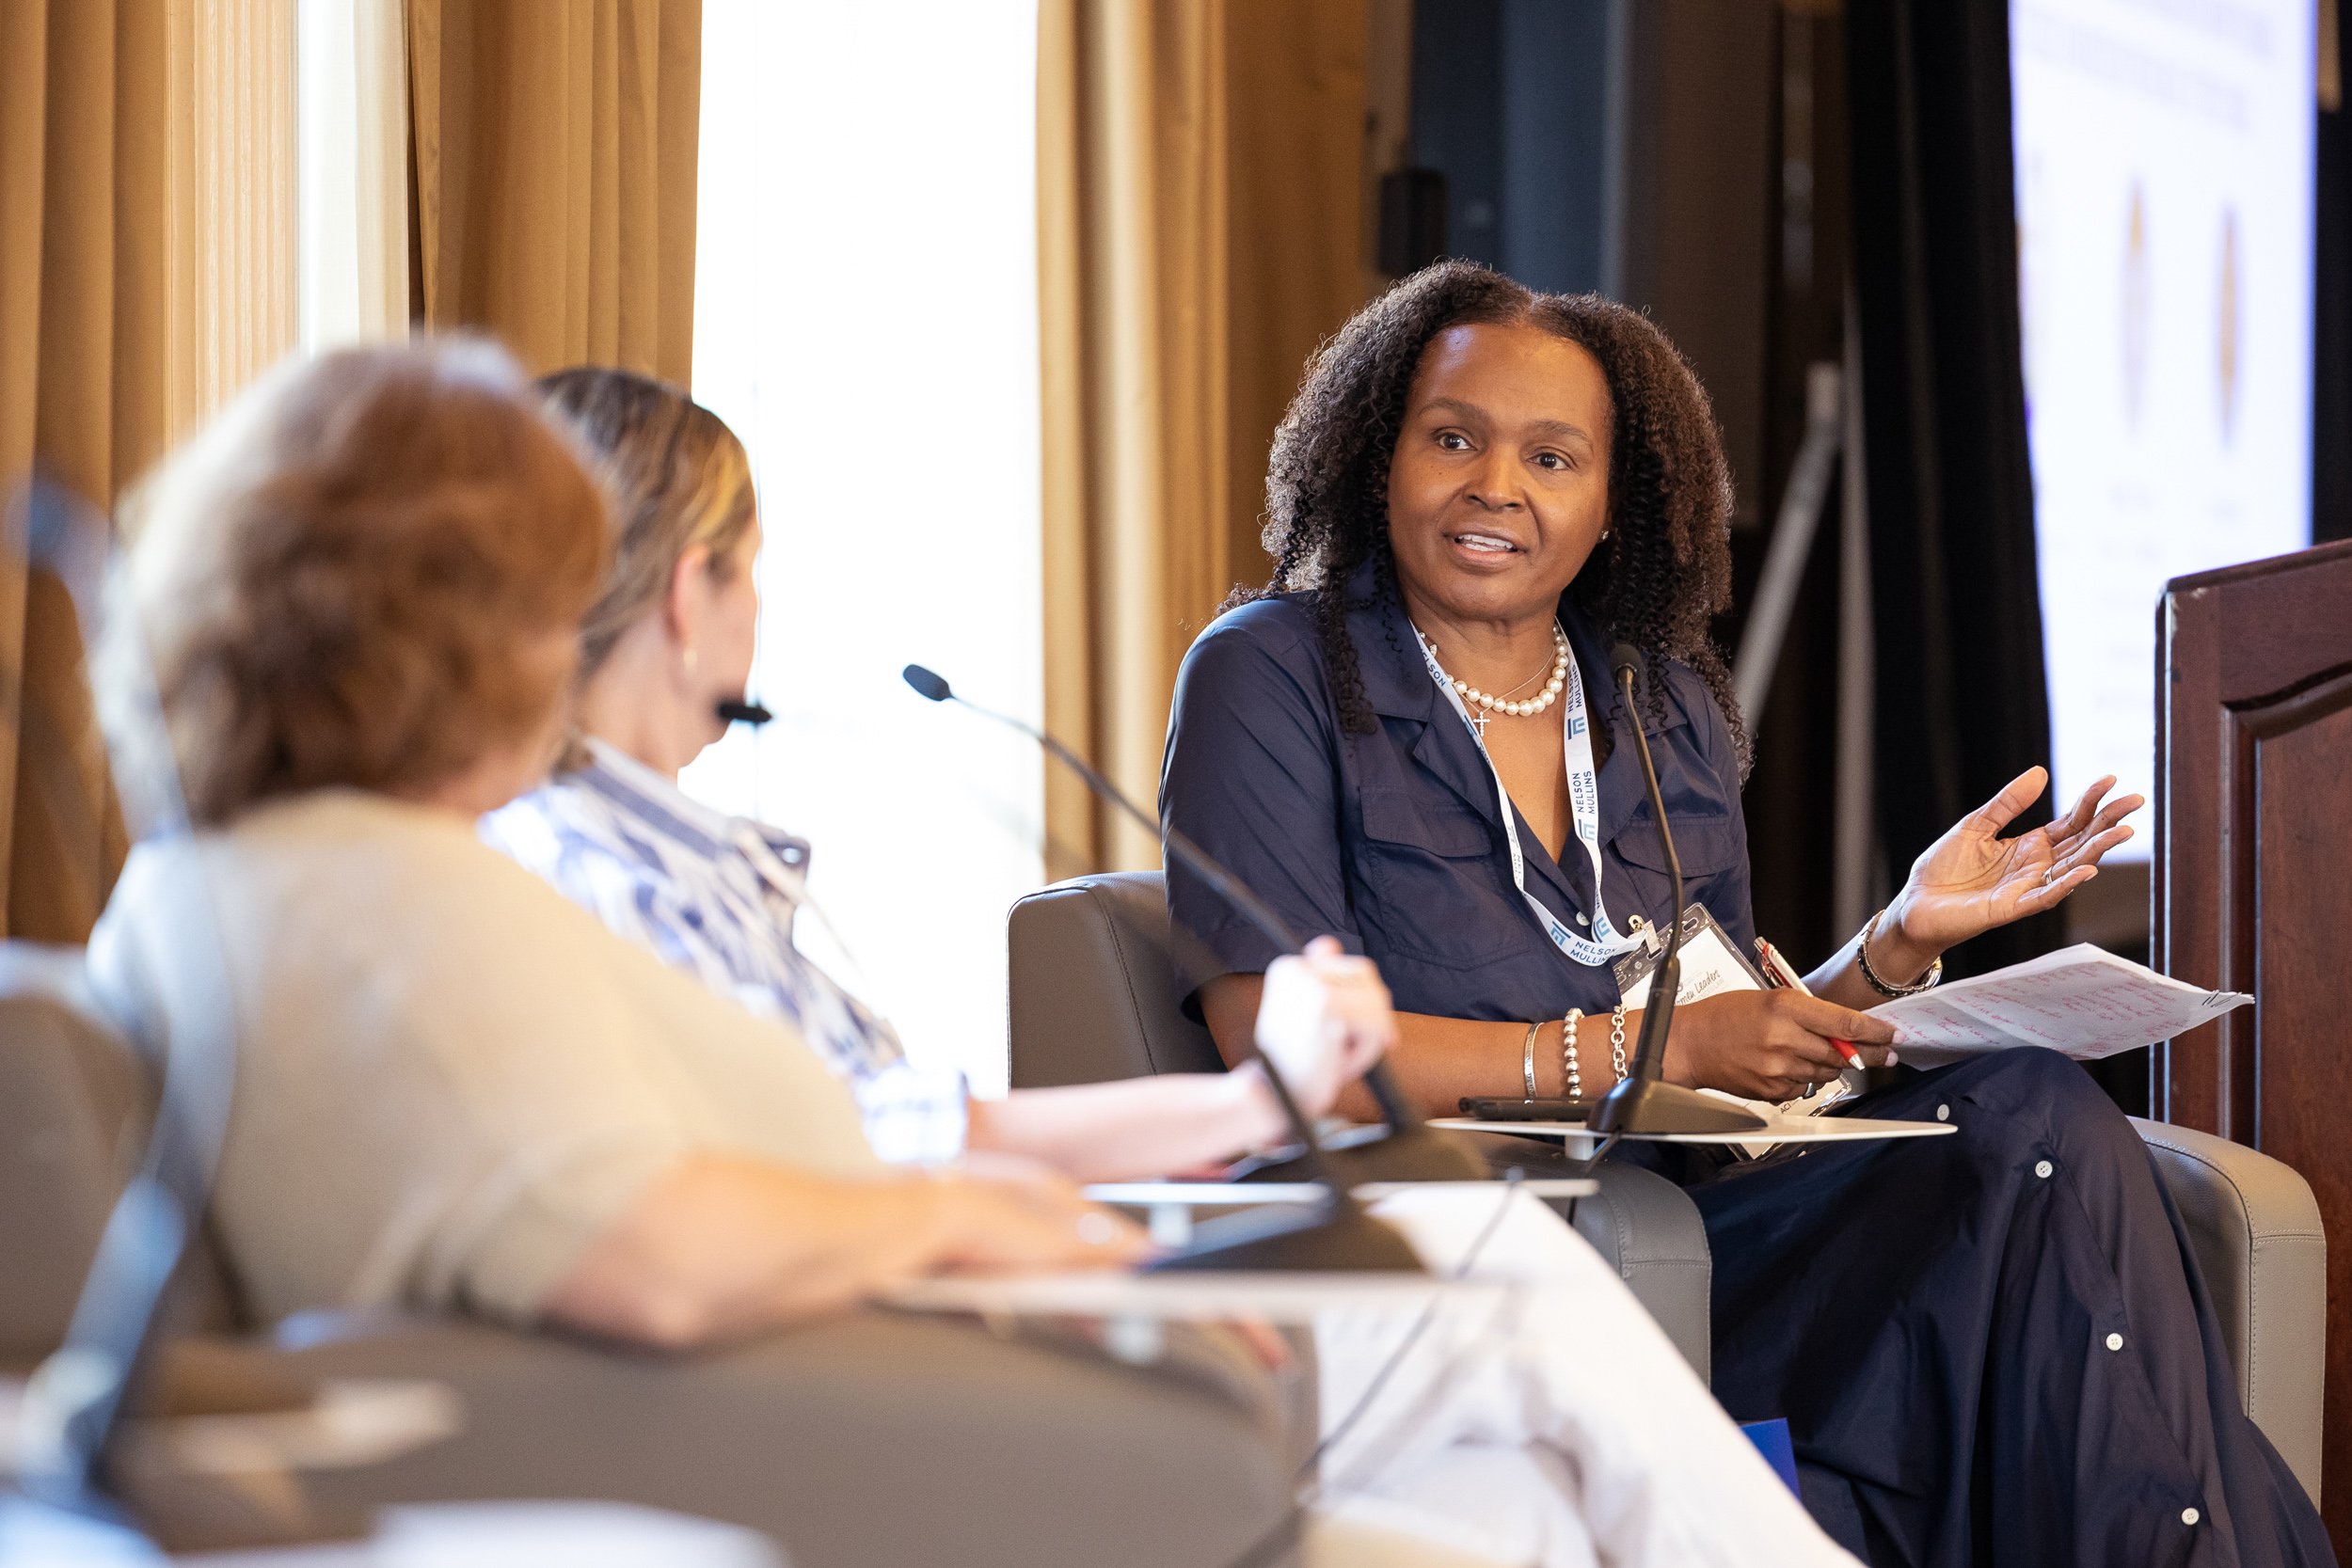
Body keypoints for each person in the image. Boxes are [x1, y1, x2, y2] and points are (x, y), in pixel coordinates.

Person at [85, 340, 1858, 1568]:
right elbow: (650, 1247)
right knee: (1488, 1264)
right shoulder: (436, 888)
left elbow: (853, 1134)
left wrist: (1161, 1142)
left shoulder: (299, 878)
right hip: (853, 1375)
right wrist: (992, 1235)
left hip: (874, 1336)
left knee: (1517, 1506)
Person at [1158, 261, 2335, 1568]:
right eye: (1453, 438)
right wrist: (1647, 1055)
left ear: (1614, 505)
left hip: (1713, 1221)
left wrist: (1892, 945)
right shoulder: (1272, 671)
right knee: (2034, 1215)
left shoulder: (1659, 706)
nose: (1497, 483)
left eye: (1552, 456)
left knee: (2032, 1113)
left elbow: (1725, 1034)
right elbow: (1279, 1044)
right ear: (1382, 458)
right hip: (1520, 1241)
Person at [482, 367, 1362, 1176]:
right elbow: (862, 1142)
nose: (757, 606)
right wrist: (1255, 1101)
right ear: (686, 596)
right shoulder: (601, 873)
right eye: (749, 570)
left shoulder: (592, 852)